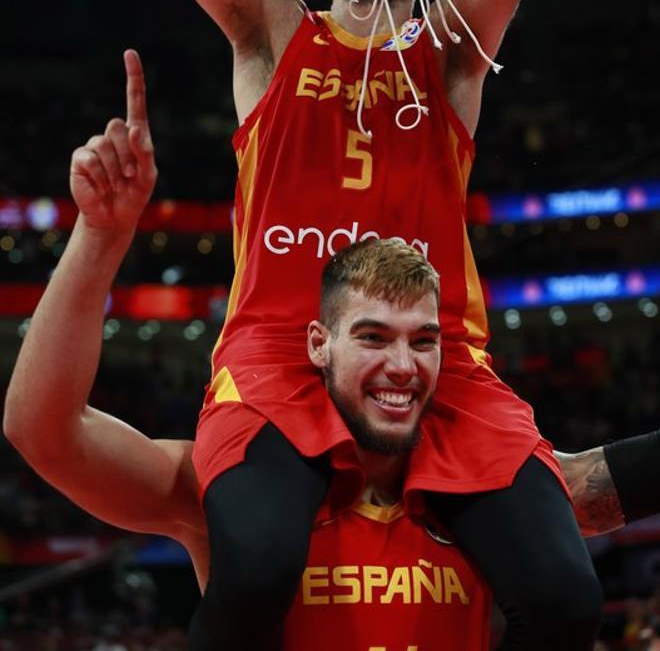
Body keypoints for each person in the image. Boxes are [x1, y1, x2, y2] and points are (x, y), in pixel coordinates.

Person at [121, 0, 607, 647]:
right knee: (254, 570)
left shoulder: (453, 55)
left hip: (441, 369)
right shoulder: (269, 31)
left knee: (565, 600)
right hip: (277, 362)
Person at [3, 53, 658, 648]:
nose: (401, 365)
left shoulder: (492, 493)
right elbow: (43, 431)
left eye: (423, 341)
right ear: (320, 346)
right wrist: (98, 237)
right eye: (372, 337)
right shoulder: (233, 486)